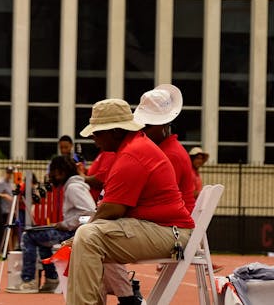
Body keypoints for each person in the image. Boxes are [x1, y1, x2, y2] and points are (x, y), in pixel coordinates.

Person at [68, 99, 195, 305]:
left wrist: (84, 231)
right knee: (87, 238)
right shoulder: (134, 147)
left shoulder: (132, 154)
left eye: (98, 132)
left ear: (117, 131)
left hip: (169, 232)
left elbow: (112, 209)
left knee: (87, 237)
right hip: (166, 229)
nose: (93, 137)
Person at [7, 155, 96, 294]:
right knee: (40, 237)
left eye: (53, 172)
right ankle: (51, 279)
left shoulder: (73, 187)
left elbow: (90, 212)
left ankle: (29, 280)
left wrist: (66, 224)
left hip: (73, 232)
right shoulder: (72, 185)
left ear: (61, 172)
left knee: (28, 236)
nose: (50, 176)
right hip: (71, 229)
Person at [133, 84, 197, 214]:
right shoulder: (166, 149)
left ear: (164, 125)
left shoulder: (171, 155)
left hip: (173, 224)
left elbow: (156, 197)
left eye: (146, 126)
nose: (141, 131)